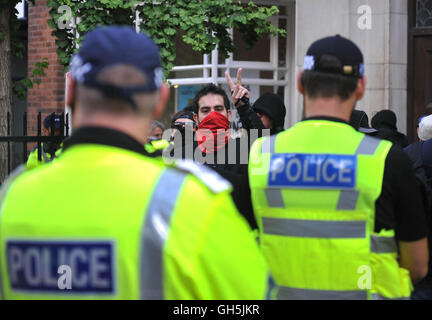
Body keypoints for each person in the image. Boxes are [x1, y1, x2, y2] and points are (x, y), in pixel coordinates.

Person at [0, 26, 270, 300]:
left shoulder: (11, 198)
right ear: (160, 101)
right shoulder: (190, 203)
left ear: (70, 95)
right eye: (205, 110)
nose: (213, 116)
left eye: (219, 109)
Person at [249, 35, 429, 300]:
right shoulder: (389, 159)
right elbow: (417, 265)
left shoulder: (261, 154)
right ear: (361, 86)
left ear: (300, 83)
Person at [226, 69, 286, 135]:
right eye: (254, 113)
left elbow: (258, 132)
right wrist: (242, 107)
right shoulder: (247, 139)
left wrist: (244, 108)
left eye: (260, 114)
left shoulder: (283, 141)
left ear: (273, 120)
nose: (256, 117)